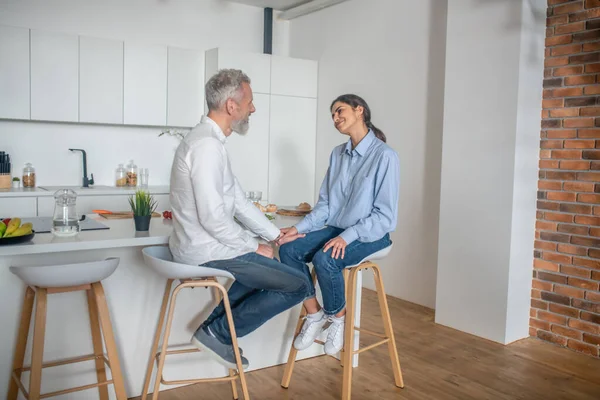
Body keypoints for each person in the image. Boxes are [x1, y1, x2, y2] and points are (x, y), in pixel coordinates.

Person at [169, 69, 312, 370]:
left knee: (267, 264)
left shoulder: (211, 142)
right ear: (231, 107)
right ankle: (217, 332)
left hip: (206, 245)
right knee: (298, 285)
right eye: (249, 101)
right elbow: (211, 218)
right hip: (204, 250)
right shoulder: (206, 147)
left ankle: (213, 331)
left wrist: (274, 236)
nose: (253, 108)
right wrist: (250, 245)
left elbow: (238, 201)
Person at [278, 94, 400, 356]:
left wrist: (348, 236)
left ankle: (338, 318)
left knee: (326, 259)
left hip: (371, 233)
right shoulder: (338, 154)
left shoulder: (385, 156)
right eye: (332, 115)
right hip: (337, 228)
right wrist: (298, 229)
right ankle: (314, 314)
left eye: (339, 111)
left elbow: (385, 216)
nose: (335, 118)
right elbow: (325, 206)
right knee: (288, 250)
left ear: (359, 111)